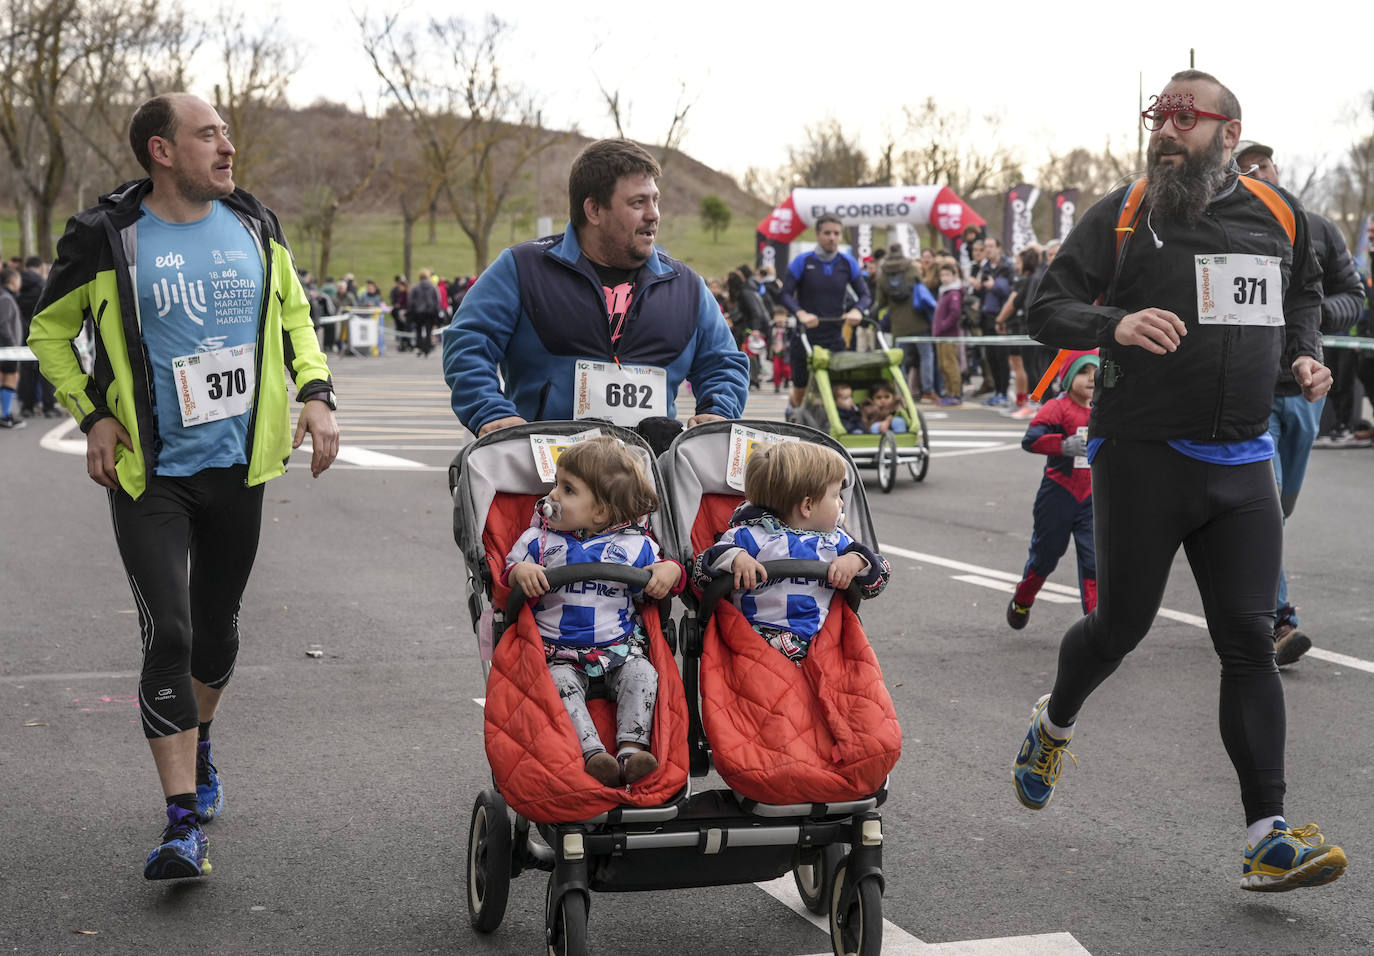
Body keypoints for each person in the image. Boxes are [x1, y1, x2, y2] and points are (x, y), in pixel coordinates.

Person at [1012, 70, 1345, 892]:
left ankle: (1266, 836)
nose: (1165, 131)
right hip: (1142, 454)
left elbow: (1304, 294)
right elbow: (1043, 305)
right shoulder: (1124, 214)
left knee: (1249, 644)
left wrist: (1304, 351)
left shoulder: (1279, 213)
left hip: (1242, 461)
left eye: (1183, 118)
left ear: (1229, 133)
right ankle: (1053, 724)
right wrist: (1112, 323)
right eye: (1158, 116)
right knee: (1118, 628)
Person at [26, 92, 340, 881]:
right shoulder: (106, 236)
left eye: (227, 132)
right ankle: (179, 825)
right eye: (209, 134)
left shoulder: (255, 224)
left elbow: (296, 317)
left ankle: (200, 744)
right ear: (162, 151)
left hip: (240, 465)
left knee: (217, 630)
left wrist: (316, 393)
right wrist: (94, 413)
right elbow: (48, 332)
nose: (227, 145)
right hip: (150, 473)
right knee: (169, 633)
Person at [442, 138, 749, 436]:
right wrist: (491, 412)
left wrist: (718, 411)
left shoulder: (687, 287)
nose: (654, 214)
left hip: (646, 477)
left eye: (655, 200)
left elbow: (724, 363)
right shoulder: (521, 268)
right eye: (638, 202)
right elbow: (468, 343)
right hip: (545, 476)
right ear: (594, 210)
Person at [1236, 141, 1366, 665]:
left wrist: (1306, 319)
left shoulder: (1315, 227)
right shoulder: (1232, 230)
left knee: (1281, 508)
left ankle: (1239, 587)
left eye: (1262, 166)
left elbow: (1352, 297)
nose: (1256, 175)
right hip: (1252, 391)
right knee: (1264, 505)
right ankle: (1277, 621)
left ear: (1276, 169)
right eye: (1244, 171)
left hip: (1307, 390)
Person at [503, 436, 683, 787]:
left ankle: (631, 750)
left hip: (618, 648)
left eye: (567, 489)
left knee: (643, 675)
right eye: (556, 483)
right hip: (559, 652)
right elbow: (509, 572)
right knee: (558, 685)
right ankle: (593, 753)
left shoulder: (635, 545)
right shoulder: (539, 541)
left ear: (600, 511)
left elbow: (666, 573)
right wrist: (521, 573)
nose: (552, 495)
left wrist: (670, 571)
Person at [691, 440, 890, 664]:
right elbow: (701, 573)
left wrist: (857, 562)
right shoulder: (748, 537)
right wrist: (735, 558)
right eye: (836, 496)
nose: (842, 504)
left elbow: (879, 576)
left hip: (822, 642)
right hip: (754, 638)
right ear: (807, 506)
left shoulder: (838, 543)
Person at [1007, 351, 1098, 630]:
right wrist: (1062, 445)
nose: (1091, 379)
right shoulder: (1056, 408)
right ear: (1069, 378)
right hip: (1057, 495)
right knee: (1045, 557)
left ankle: (1096, 627)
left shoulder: (1105, 409)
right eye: (1083, 372)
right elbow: (1030, 440)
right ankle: (1023, 600)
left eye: (1096, 372)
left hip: (1092, 499)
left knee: (1095, 562)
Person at [777, 215, 870, 418]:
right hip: (804, 336)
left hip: (834, 337)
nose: (832, 238)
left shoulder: (848, 263)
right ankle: (793, 416)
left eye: (836, 234)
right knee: (801, 391)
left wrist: (857, 311)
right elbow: (784, 294)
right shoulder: (803, 261)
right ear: (818, 234)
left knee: (836, 390)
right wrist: (801, 314)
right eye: (827, 233)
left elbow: (865, 295)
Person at [877, 242, 938, 401]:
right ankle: (927, 390)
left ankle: (902, 391)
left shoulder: (883, 272)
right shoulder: (911, 267)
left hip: (898, 323)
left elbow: (881, 301)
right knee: (926, 356)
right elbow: (921, 288)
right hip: (918, 320)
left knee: (899, 360)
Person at [974, 237, 1014, 406]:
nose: (988, 250)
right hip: (986, 317)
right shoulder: (985, 268)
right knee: (990, 356)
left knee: (1001, 356)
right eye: (986, 247)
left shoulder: (1007, 268)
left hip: (1001, 318)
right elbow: (981, 292)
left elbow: (1011, 292)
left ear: (999, 248)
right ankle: (997, 391)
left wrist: (994, 285)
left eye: (991, 246)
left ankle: (1004, 393)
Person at [932, 260, 965, 406]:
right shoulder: (943, 292)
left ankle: (956, 393)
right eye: (942, 275)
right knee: (942, 365)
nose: (944, 277)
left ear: (954, 276)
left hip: (949, 335)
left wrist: (943, 326)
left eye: (947, 274)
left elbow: (955, 313)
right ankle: (949, 392)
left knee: (950, 364)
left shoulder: (954, 293)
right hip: (940, 334)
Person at [0, 268, 25, 428]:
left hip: (6, 348)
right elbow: (3, 324)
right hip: (7, 349)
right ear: (14, 281)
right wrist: (12, 344)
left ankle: (5, 414)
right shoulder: (6, 298)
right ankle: (6, 415)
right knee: (11, 378)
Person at [408, 268, 440, 357]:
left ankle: (419, 347)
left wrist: (411, 310)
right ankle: (427, 348)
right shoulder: (433, 286)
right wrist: (436, 310)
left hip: (418, 312)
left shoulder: (415, 287)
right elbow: (437, 299)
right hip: (430, 312)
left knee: (418, 330)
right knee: (428, 330)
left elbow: (410, 300)